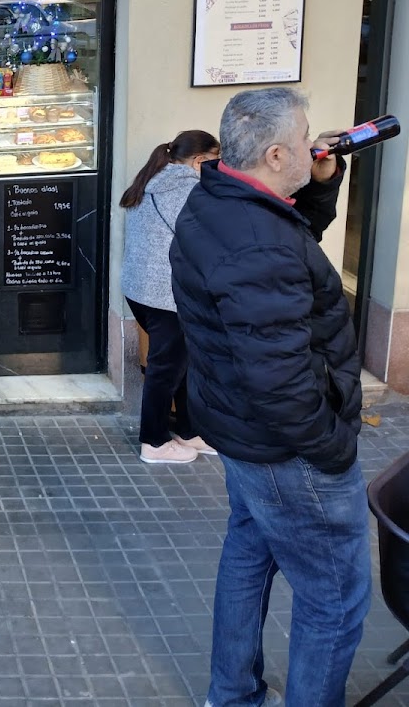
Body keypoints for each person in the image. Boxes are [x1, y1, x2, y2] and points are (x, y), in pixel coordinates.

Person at [169, 87, 368, 707]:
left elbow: (281, 249)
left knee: (249, 555)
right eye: (305, 138)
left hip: (239, 429)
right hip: (288, 451)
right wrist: (333, 449)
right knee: (334, 600)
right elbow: (280, 379)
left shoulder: (218, 198)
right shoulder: (255, 239)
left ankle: (231, 695)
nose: (316, 144)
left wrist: (321, 185)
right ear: (277, 153)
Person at [120, 130, 221, 465]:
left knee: (182, 362)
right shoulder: (186, 188)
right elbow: (206, 237)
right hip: (167, 294)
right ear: (200, 160)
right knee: (168, 368)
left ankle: (189, 430)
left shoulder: (151, 180)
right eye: (215, 160)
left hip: (141, 289)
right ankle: (154, 441)